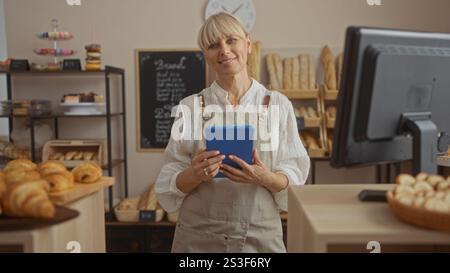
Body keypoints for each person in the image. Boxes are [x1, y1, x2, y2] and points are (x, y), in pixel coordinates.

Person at [155, 12, 310, 253]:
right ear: (205, 55)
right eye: (213, 45)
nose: (224, 50)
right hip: (198, 238)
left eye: (231, 40)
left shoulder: (278, 105)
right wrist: (195, 173)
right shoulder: (190, 107)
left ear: (248, 44)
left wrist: (264, 178)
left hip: (260, 236)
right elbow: (167, 183)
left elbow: (294, 175)